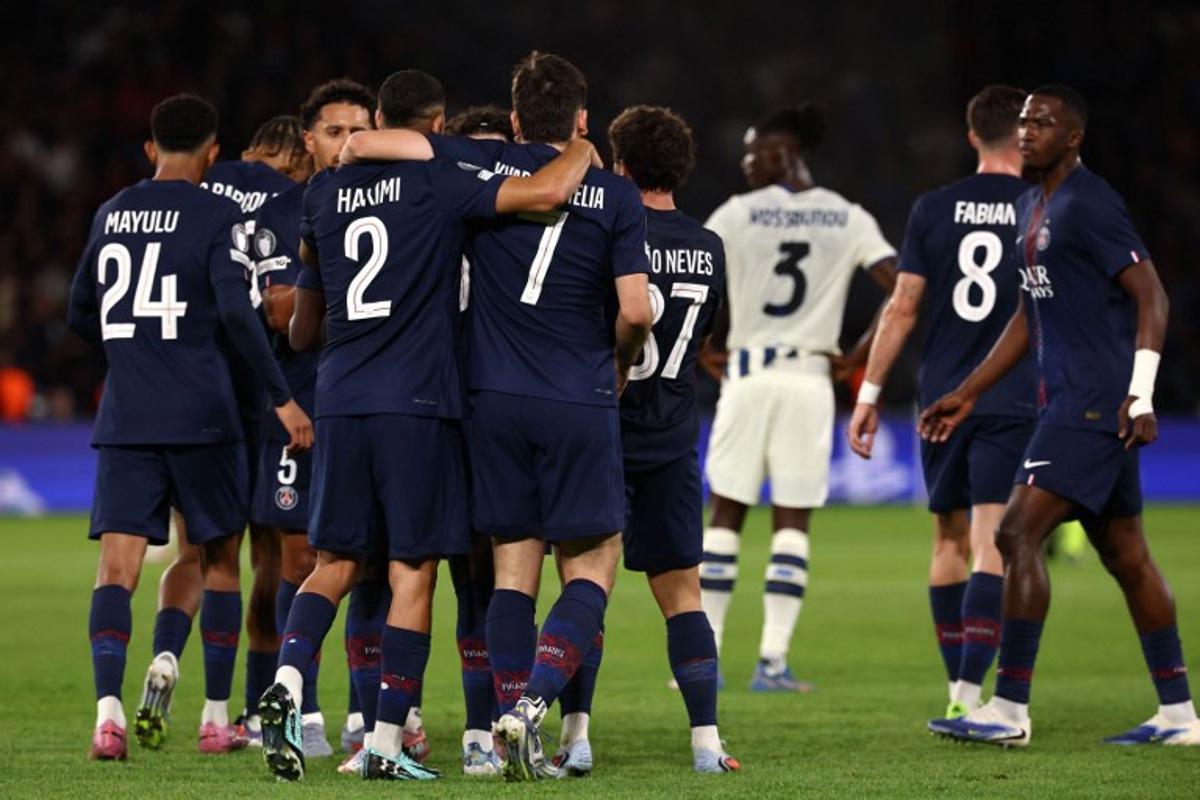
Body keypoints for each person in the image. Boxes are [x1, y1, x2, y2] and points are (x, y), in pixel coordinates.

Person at [258, 67, 601, 782]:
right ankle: (385, 745)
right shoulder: (440, 182)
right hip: (417, 401)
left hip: (339, 396)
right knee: (413, 570)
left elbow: (300, 331)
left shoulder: (321, 194)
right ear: (438, 127)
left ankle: (287, 681)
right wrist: (580, 147)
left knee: (335, 563)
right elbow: (545, 193)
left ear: (379, 119)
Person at [341, 51, 654, 782]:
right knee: (593, 562)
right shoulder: (615, 194)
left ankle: (507, 719)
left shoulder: (478, 167)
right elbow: (637, 310)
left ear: (514, 120)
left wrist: (382, 143)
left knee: (512, 569)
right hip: (577, 394)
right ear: (582, 118)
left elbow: (365, 143)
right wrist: (620, 358)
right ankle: (532, 706)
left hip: (493, 398)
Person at [922, 85, 1199, 747]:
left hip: (1094, 402)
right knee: (1126, 555)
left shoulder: (1090, 204)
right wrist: (970, 390)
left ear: (1073, 137)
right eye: (1024, 121)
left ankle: (1009, 709)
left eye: (1043, 123)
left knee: (1016, 533)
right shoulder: (1030, 206)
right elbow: (1029, 313)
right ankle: (1179, 715)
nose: (1027, 131)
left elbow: (1153, 297)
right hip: (1067, 401)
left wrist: (1142, 392)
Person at [67, 94, 312, 761]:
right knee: (219, 562)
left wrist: (134, 353)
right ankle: (215, 718)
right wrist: (282, 397)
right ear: (212, 153)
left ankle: (108, 718)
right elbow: (236, 313)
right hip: (205, 414)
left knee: (116, 567)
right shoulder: (216, 214)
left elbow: (80, 309)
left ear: (150, 148)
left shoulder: (111, 212)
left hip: (127, 415)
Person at [552, 105, 740, 775]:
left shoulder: (605, 228)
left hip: (602, 431)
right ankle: (707, 744)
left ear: (621, 166)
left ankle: (575, 736)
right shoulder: (709, 245)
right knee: (683, 594)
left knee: (584, 586)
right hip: (673, 436)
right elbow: (708, 336)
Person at [846, 85, 1033, 719]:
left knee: (947, 539)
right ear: (1024, 134)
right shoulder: (1041, 205)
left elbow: (902, 306)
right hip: (1011, 393)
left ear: (971, 134)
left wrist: (870, 393)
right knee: (991, 538)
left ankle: (956, 692)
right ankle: (972, 697)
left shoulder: (935, 207)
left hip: (940, 397)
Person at [699, 105, 897, 691]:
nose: (745, 163)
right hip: (810, 380)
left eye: (753, 152)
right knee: (792, 521)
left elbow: (696, 272)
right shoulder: (847, 216)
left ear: (782, 154)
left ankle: (703, 658)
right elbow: (903, 285)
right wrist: (859, 353)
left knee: (725, 513)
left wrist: (703, 345)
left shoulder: (737, 213)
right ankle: (773, 662)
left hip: (747, 377)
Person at [134, 114, 311, 755]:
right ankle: (248, 709)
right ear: (299, 155)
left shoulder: (204, 187)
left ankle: (165, 655)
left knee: (198, 553)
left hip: (196, 394)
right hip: (267, 394)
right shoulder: (293, 198)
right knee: (268, 559)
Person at [251, 79, 375, 760]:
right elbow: (270, 311)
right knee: (300, 558)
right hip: (302, 406)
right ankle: (307, 711)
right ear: (309, 140)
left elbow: (293, 306)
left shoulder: (396, 202)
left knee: (372, 562)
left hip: (368, 405)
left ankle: (365, 714)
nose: (347, 143)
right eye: (334, 131)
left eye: (359, 130)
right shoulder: (279, 212)